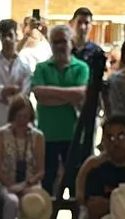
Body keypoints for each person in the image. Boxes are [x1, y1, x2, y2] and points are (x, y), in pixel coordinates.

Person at [29, 23, 91, 198]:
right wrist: (68, 95)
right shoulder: (42, 68)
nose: (59, 46)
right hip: (47, 135)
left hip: (74, 135)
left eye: (63, 41)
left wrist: (52, 93)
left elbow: (81, 95)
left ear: (71, 42)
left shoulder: (82, 68)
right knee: (47, 183)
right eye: (55, 42)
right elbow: (40, 95)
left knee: (74, 183)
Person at [0, 17, 32, 132]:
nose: (7, 39)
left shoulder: (25, 66)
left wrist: (11, 96)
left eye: (10, 35)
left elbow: (25, 93)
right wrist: (2, 91)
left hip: (17, 125)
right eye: (3, 36)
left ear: (16, 36)